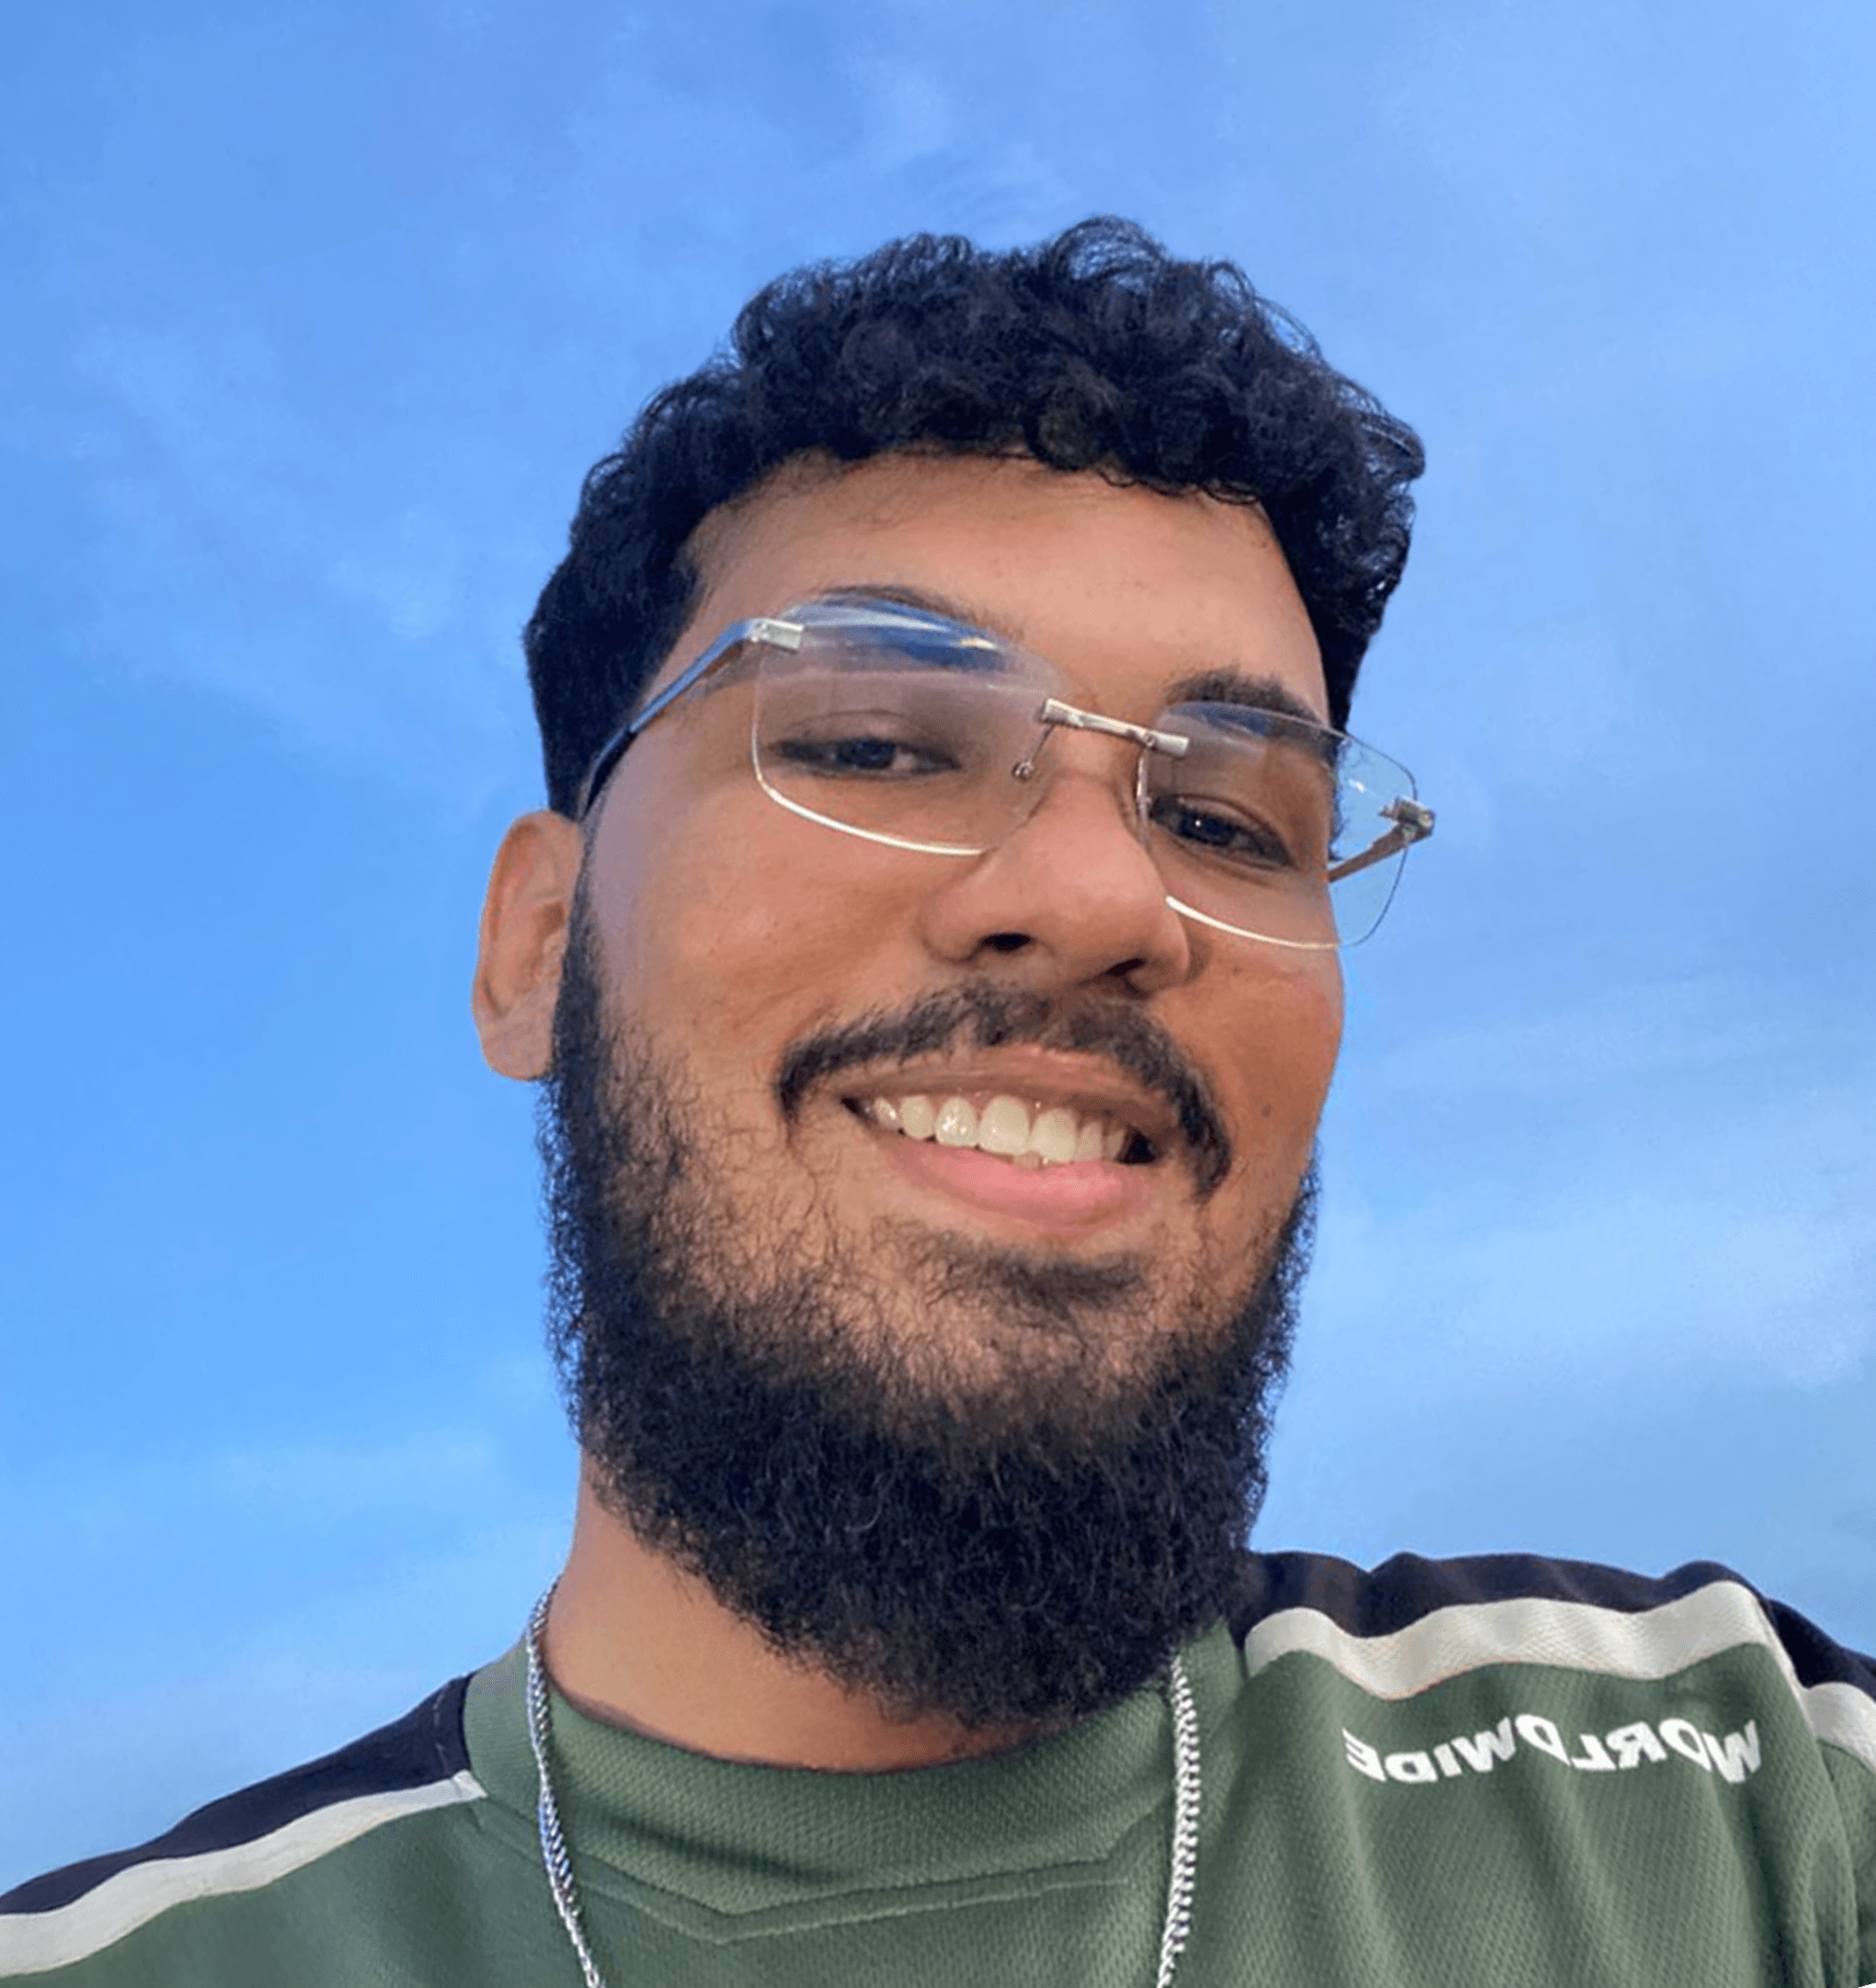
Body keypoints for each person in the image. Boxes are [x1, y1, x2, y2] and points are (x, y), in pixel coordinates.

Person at [4, 217, 1870, 1988]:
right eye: (879, 742)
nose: (1094, 896)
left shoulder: (1750, 1793)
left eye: (1228, 820)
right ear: (538, 945)